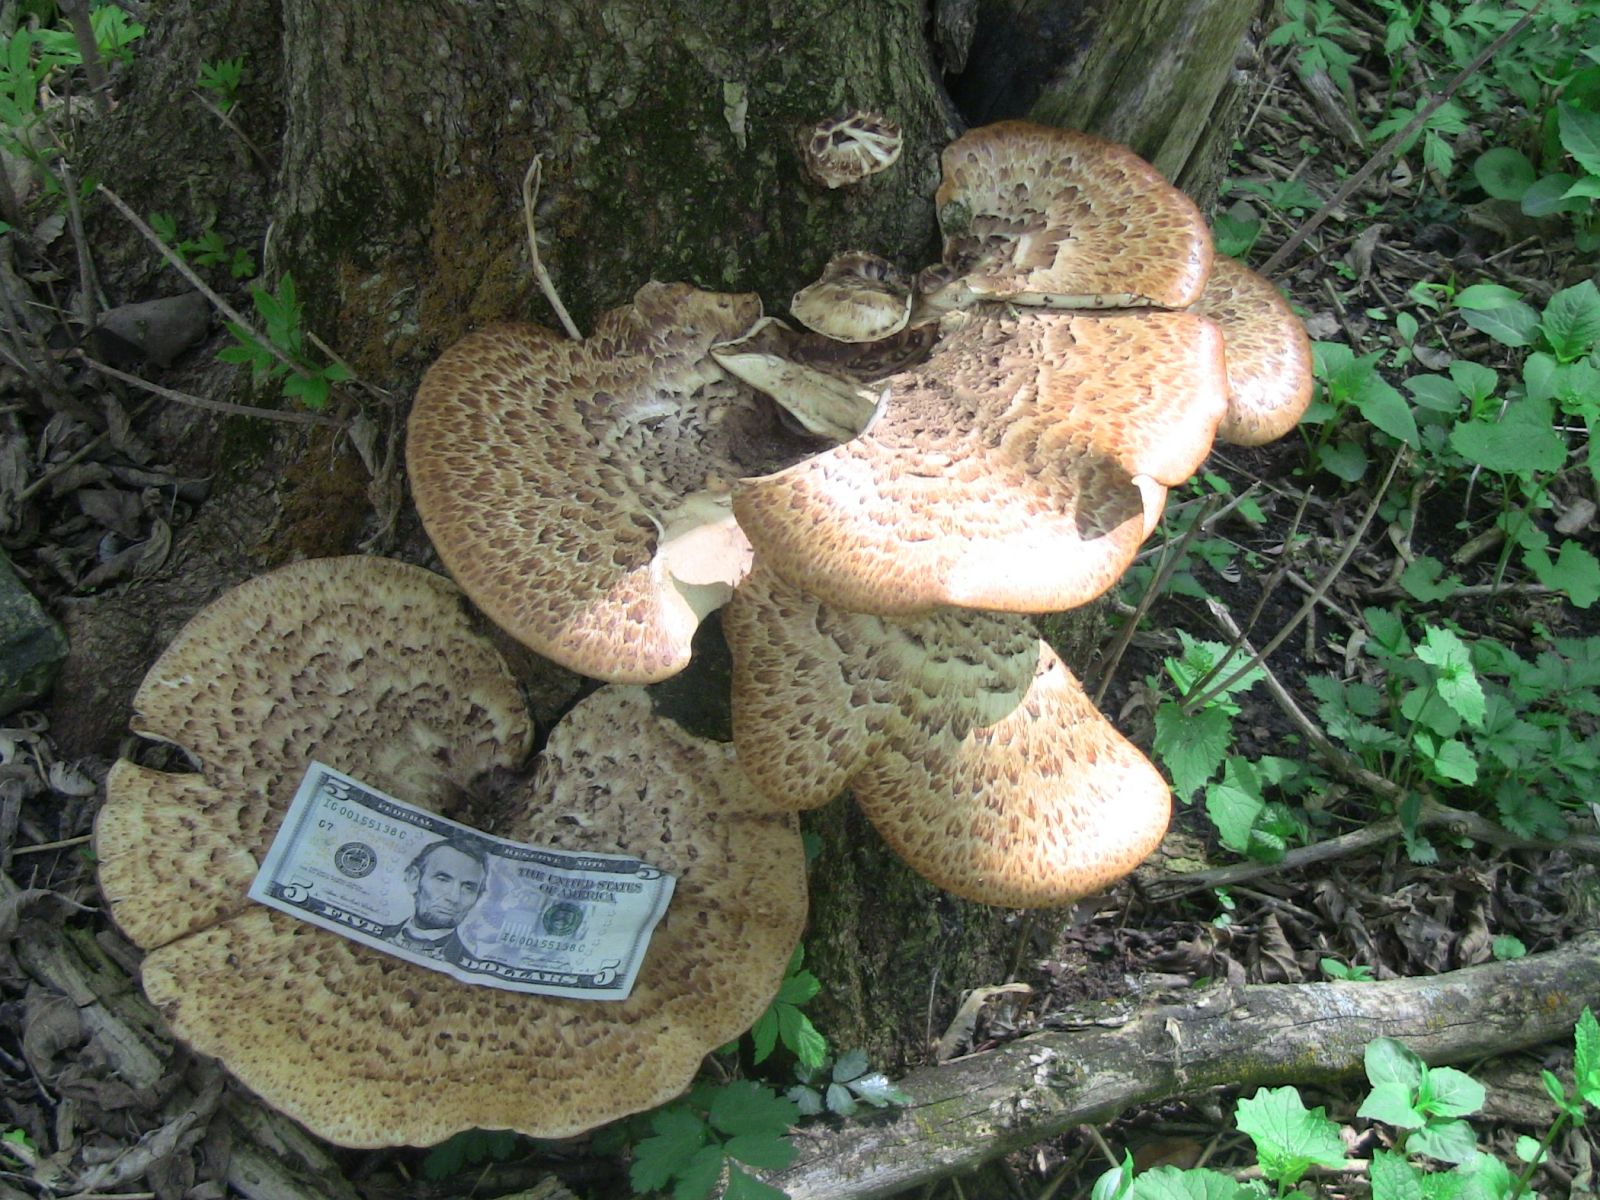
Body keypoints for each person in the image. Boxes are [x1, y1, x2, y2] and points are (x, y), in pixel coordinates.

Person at [376, 835, 489, 963]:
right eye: (442, 879)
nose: (454, 897)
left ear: (478, 897)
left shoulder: (471, 967)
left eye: (468, 888)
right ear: (414, 879)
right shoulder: (374, 935)